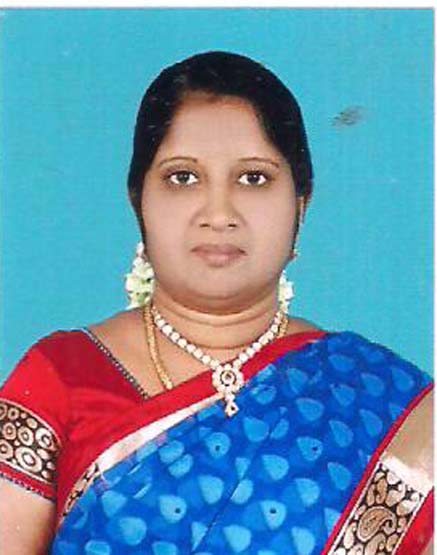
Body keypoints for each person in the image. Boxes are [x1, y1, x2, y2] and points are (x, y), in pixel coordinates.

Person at [0, 51, 433, 555]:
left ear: (301, 203)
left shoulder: (383, 400)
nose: (219, 212)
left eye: (254, 178)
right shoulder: (60, 377)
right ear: (138, 199)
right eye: (183, 177)